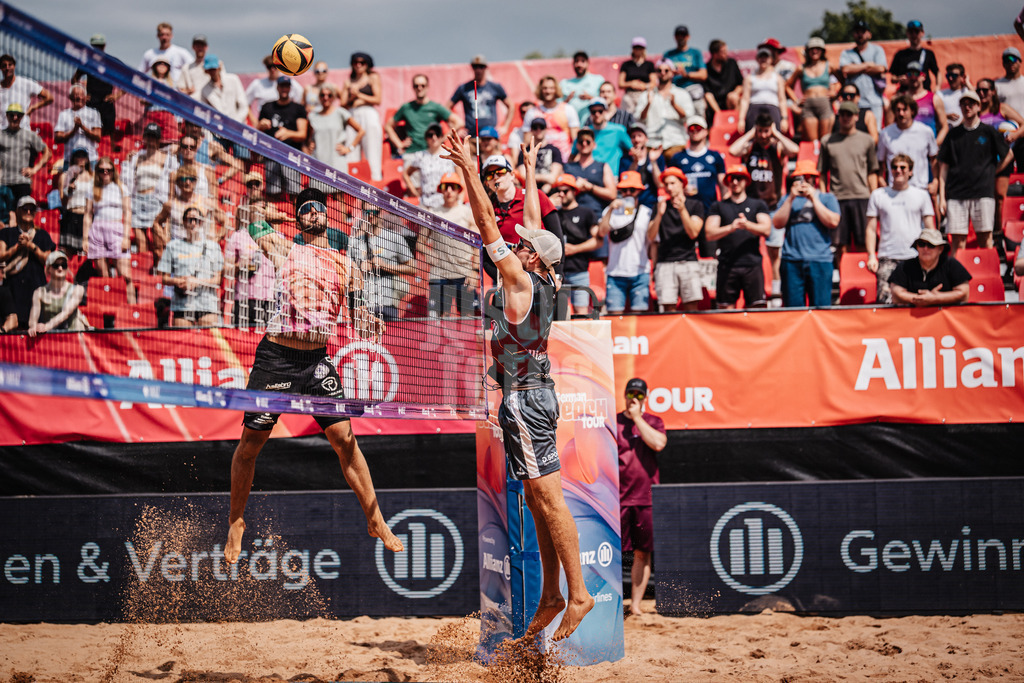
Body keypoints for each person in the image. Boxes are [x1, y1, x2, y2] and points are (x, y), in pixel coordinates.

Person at [441, 131, 594, 641]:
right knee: (534, 495)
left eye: (523, 245)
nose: (516, 245)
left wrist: (468, 169)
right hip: (529, 392)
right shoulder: (548, 278)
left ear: (532, 257)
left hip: (526, 398)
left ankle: (578, 594)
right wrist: (526, 170)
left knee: (548, 498)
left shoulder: (521, 280)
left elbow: (488, 223)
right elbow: (531, 226)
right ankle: (552, 594)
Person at [224, 186, 404, 564]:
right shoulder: (283, 248)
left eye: (318, 208)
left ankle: (375, 520)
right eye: (305, 209)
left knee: (346, 440)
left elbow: (358, 309)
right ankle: (236, 520)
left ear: (327, 216)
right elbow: (246, 217)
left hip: (316, 360)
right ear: (298, 219)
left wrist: (367, 319)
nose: (313, 213)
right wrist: (276, 215)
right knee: (251, 444)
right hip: (277, 358)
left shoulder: (346, 264)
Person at [729, 113, 798, 296]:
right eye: (760, 131)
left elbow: (795, 150)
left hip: (773, 206)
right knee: (749, 249)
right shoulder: (751, 146)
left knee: (774, 252)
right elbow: (733, 151)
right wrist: (751, 133)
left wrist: (776, 134)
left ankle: (776, 291)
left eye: (766, 131)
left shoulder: (777, 146)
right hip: (751, 207)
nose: (763, 135)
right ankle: (754, 290)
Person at [938, 90, 1012, 255]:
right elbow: (944, 167)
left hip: (982, 193)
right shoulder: (953, 134)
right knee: (957, 242)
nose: (967, 107)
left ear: (978, 106)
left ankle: (987, 271)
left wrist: (993, 171)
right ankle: (957, 273)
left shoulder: (989, 131)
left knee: (985, 238)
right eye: (963, 104)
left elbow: (1009, 155)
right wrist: (942, 197)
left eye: (971, 103)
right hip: (956, 194)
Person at [615, 377, 666, 616]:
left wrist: (637, 418)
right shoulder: (614, 422)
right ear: (624, 395)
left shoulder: (654, 421)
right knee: (610, 551)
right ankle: (610, 602)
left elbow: (659, 444)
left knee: (642, 552)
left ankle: (635, 605)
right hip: (616, 498)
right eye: (630, 394)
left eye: (638, 394)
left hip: (645, 499)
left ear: (645, 397)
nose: (633, 398)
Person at [864, 154, 936, 304]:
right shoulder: (878, 195)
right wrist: (871, 255)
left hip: (915, 257)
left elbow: (931, 229)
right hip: (887, 257)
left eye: (903, 167)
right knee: (885, 303)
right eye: (894, 167)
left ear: (910, 171)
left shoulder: (921, 195)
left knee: (917, 302)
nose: (898, 170)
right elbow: (870, 229)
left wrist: (932, 254)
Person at [772, 161, 840, 308]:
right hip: (792, 261)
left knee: (821, 310)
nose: (805, 181)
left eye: (809, 177)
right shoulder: (787, 199)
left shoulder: (827, 198)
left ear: (815, 179)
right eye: (801, 177)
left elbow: (833, 221)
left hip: (820, 260)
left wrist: (813, 198)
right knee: (793, 311)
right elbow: (777, 223)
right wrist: (791, 198)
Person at [819, 100, 881, 260]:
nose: (845, 118)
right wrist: (824, 197)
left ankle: (862, 273)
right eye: (842, 114)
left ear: (856, 116)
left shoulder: (867, 140)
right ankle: (843, 274)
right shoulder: (827, 141)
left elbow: (872, 172)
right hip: (837, 198)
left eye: (849, 114)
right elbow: (822, 173)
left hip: (862, 196)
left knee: (863, 242)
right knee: (841, 244)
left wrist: (874, 196)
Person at [704, 165, 772, 309]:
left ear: (746, 181)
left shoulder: (758, 204)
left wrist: (747, 225)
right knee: (725, 310)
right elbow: (709, 233)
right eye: (731, 179)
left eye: (739, 178)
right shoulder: (718, 206)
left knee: (756, 309)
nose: (735, 182)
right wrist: (731, 227)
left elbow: (766, 229)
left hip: (752, 264)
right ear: (727, 182)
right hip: (727, 264)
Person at [415, 172, 479, 317]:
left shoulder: (467, 213)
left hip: (463, 272)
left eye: (453, 187)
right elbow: (419, 243)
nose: (449, 190)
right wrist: (428, 252)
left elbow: (476, 247)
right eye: (445, 187)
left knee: (468, 317)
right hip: (439, 273)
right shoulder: (432, 214)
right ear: (441, 190)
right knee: (440, 318)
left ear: (458, 190)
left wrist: (474, 272)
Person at [156, 204, 222, 327]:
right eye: (190, 219)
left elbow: (218, 279)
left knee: (208, 338)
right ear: (184, 222)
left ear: (202, 222)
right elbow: (164, 278)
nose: (193, 223)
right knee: (183, 338)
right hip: (182, 304)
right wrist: (180, 281)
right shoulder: (173, 246)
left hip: (207, 304)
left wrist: (197, 282)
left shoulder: (213, 247)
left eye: (196, 220)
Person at [597, 171, 653, 314]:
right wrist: (611, 209)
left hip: (640, 272)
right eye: (624, 190)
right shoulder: (611, 211)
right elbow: (601, 232)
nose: (627, 193)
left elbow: (653, 241)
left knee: (638, 318)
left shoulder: (647, 213)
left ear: (639, 191)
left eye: (632, 190)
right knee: (615, 316)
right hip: (615, 272)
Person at [649, 167, 704, 311]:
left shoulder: (695, 205)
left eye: (673, 183)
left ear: (682, 183)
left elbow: (693, 233)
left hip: (688, 262)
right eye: (666, 184)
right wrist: (659, 215)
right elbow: (650, 236)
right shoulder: (659, 207)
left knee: (692, 307)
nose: (669, 187)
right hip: (665, 263)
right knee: (668, 309)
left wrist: (682, 210)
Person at [84, 157, 135, 303]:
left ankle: (132, 308)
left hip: (116, 229)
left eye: (109, 170)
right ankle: (112, 307)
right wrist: (85, 238)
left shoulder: (121, 187)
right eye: (102, 170)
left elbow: (128, 213)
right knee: (104, 276)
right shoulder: (92, 189)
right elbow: (87, 214)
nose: (105, 173)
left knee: (125, 275)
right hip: (97, 230)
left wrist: (126, 237)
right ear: (97, 172)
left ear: (114, 171)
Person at [0, 195, 54, 328]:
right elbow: (1, 255)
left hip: (35, 289)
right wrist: (17, 247)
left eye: (32, 209)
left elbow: (49, 260)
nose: (28, 212)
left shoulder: (42, 235)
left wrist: (31, 246)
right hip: (12, 290)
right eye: (25, 209)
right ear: (17, 211)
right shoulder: (6, 233)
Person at [224, 196, 276, 328]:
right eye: (255, 209)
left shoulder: (276, 237)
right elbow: (226, 270)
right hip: (244, 300)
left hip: (269, 301)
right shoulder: (238, 236)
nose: (259, 213)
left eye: (262, 209)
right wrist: (239, 265)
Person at [551, 174, 599, 315]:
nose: (561, 194)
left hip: (579, 270)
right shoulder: (553, 214)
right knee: (560, 313)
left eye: (565, 191)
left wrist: (575, 249)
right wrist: (549, 204)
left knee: (581, 312)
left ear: (574, 191)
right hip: (558, 272)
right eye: (558, 191)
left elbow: (598, 240)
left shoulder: (586, 212)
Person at [888, 227, 971, 306]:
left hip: (946, 315)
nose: (925, 248)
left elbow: (963, 291)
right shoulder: (905, 266)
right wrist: (920, 299)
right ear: (917, 247)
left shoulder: (951, 264)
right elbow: (896, 291)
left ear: (940, 249)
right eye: (921, 244)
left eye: (931, 245)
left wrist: (936, 298)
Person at [120, 122, 168, 256]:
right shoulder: (137, 157)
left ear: (159, 139)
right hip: (138, 201)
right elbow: (126, 179)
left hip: (155, 201)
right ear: (145, 138)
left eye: (154, 137)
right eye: (149, 136)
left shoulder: (165, 158)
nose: (151, 140)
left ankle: (158, 270)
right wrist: (127, 161)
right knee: (141, 245)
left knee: (158, 246)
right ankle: (144, 268)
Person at [877, 95, 938, 200]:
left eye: (904, 110)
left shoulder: (925, 131)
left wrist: (935, 181)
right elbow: (880, 162)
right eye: (898, 110)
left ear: (912, 111)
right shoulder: (885, 134)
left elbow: (934, 159)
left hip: (920, 189)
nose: (901, 113)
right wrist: (882, 181)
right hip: (894, 191)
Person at [386, 74, 460, 158]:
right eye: (416, 86)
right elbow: (388, 126)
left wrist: (442, 139)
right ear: (413, 87)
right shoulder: (406, 107)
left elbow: (459, 122)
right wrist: (399, 144)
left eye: (422, 85)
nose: (419, 88)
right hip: (412, 153)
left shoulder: (435, 107)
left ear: (427, 87)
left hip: (431, 153)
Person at [259, 76, 308, 198]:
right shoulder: (267, 107)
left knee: (294, 193)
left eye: (286, 86)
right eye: (282, 86)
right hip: (272, 155)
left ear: (290, 88)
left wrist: (288, 133)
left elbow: (303, 134)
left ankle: (296, 212)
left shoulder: (298, 109)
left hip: (292, 156)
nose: (284, 89)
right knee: (272, 194)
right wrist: (261, 125)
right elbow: (258, 130)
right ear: (277, 87)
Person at [339, 52, 383, 182]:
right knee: (351, 150)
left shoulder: (372, 77)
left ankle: (375, 181)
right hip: (352, 115)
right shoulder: (348, 82)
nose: (358, 65)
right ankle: (351, 182)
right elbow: (343, 103)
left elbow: (377, 99)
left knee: (372, 149)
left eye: (362, 62)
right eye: (355, 62)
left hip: (369, 114)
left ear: (367, 64)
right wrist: (352, 97)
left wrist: (359, 95)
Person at [669, 116, 726, 215]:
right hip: (686, 210)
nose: (695, 131)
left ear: (706, 131)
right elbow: (670, 183)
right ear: (687, 131)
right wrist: (681, 189)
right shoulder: (678, 158)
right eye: (691, 128)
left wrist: (724, 207)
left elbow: (723, 185)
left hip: (710, 209)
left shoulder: (715, 156)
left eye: (699, 128)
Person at [638, 60, 695, 158]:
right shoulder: (646, 95)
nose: (663, 73)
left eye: (666, 70)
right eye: (659, 70)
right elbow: (639, 119)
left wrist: (674, 105)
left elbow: (688, 117)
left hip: (675, 142)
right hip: (652, 143)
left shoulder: (682, 93)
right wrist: (648, 104)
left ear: (672, 73)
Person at [839, 20, 888, 127]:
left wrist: (855, 67)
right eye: (857, 32)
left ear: (869, 34)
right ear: (853, 34)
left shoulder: (877, 50)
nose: (860, 34)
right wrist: (868, 65)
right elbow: (845, 69)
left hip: (874, 101)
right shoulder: (846, 53)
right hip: (853, 102)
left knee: (875, 132)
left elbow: (881, 68)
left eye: (863, 31)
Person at [0, 103, 51, 205]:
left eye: (18, 115)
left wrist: (34, 169)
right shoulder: (1, 135)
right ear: (7, 116)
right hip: (4, 182)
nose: (15, 118)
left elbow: (48, 153)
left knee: (22, 212)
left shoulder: (29, 135)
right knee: (5, 213)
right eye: (12, 115)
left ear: (22, 117)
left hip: (22, 182)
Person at [449, 55, 511, 139]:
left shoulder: (495, 87)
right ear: (472, 68)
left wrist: (505, 126)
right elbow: (447, 108)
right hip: (471, 137)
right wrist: (456, 129)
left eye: (481, 67)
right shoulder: (464, 88)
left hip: (491, 137)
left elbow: (511, 106)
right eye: (475, 67)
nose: (478, 70)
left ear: (486, 68)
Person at [71, 35, 122, 135]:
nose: (98, 49)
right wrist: (82, 94)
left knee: (109, 133)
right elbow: (74, 79)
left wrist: (117, 95)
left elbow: (129, 80)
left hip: (107, 103)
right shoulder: (87, 62)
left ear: (104, 46)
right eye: (95, 46)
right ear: (92, 46)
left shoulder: (112, 62)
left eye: (100, 46)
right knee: (90, 132)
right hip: (91, 103)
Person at [308, 83, 364, 173]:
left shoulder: (341, 113)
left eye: (329, 95)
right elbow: (308, 138)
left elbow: (361, 131)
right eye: (322, 95)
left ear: (333, 97)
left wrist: (349, 148)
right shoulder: (313, 116)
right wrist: (310, 144)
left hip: (337, 164)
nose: (326, 98)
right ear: (319, 97)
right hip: (318, 163)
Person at [27, 250, 86, 336]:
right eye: (56, 265)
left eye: (63, 265)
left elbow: (66, 313)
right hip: (52, 339)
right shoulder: (39, 292)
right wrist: (33, 327)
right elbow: (32, 320)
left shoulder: (77, 289)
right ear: (48, 269)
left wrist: (46, 326)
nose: (60, 268)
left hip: (73, 337)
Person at [563, 127, 616, 220]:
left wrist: (590, 187)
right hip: (571, 216)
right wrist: (575, 187)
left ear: (594, 145)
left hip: (596, 215)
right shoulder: (569, 167)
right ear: (577, 145)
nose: (584, 144)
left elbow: (612, 194)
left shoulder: (602, 166)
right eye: (581, 141)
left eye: (588, 141)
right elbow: (561, 191)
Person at [788, 37, 835, 142]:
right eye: (812, 49)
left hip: (824, 104)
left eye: (817, 48)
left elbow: (842, 80)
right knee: (812, 142)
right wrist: (796, 100)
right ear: (807, 51)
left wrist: (835, 93)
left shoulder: (829, 66)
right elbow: (787, 86)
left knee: (825, 140)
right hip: (808, 106)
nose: (814, 51)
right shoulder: (801, 68)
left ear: (822, 51)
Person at [524, 76, 579, 162]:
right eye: (545, 88)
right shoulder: (532, 112)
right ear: (540, 90)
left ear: (556, 89)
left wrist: (573, 161)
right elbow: (527, 141)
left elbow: (575, 139)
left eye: (551, 88)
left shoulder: (568, 109)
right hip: (540, 160)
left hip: (565, 159)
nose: (548, 91)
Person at [402, 124, 456, 210]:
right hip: (426, 203)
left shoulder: (450, 155)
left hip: (446, 203)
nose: (434, 138)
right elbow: (406, 173)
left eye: (437, 134)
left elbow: (461, 177)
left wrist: (460, 197)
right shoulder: (420, 156)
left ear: (441, 136)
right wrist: (414, 192)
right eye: (430, 135)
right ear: (426, 138)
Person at [738, 46, 788, 135]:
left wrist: (784, 118)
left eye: (766, 57)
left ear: (771, 59)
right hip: (755, 108)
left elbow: (782, 100)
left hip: (772, 108)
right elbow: (745, 99)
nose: (763, 59)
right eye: (761, 57)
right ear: (757, 59)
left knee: (774, 135)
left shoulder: (778, 78)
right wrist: (741, 119)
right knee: (752, 135)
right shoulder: (749, 78)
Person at [899, 61, 948, 145]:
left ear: (923, 77)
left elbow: (944, 127)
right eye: (910, 74)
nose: (913, 77)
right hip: (905, 146)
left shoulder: (934, 98)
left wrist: (934, 146)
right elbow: (891, 125)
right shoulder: (900, 99)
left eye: (916, 74)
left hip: (927, 147)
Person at [663, 25, 707, 118]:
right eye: (678, 35)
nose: (681, 37)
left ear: (688, 37)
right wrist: (671, 72)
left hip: (693, 90)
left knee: (698, 117)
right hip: (675, 90)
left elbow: (703, 75)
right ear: (675, 37)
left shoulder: (695, 53)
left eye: (683, 35)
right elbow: (661, 72)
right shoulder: (668, 54)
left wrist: (686, 74)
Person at [0, 54, 53, 129]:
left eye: (10, 65)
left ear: (14, 66)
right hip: (3, 131)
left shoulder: (25, 83)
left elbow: (49, 97)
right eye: (4, 66)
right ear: (1, 68)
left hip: (22, 129)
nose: (7, 68)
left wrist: (33, 108)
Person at [620, 122, 665, 211]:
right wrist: (635, 162)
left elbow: (660, 184)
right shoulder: (625, 159)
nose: (636, 139)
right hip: (630, 205)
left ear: (646, 139)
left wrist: (653, 162)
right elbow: (626, 184)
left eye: (639, 136)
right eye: (633, 137)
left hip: (650, 204)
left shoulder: (656, 157)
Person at [53, 85, 102, 166]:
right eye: (76, 94)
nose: (78, 97)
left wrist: (82, 127)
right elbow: (57, 138)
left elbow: (98, 137)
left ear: (85, 97)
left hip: (90, 159)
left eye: (81, 95)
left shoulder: (93, 113)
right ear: (70, 97)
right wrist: (74, 130)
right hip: (70, 160)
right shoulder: (64, 114)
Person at [57, 148, 92, 255]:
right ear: (73, 158)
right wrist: (68, 191)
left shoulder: (93, 177)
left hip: (87, 217)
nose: (81, 159)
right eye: (78, 156)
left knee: (87, 251)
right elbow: (63, 202)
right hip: (71, 216)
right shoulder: (65, 176)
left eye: (83, 156)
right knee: (68, 252)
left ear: (87, 159)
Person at [198, 56, 252, 126]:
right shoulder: (205, 90)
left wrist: (236, 122)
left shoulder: (233, 80)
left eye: (214, 69)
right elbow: (205, 112)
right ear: (206, 71)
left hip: (238, 126)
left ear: (219, 67)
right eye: (210, 69)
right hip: (218, 128)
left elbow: (243, 105)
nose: (212, 72)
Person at [516, 118, 563, 195]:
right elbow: (523, 177)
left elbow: (553, 178)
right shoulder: (524, 151)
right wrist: (546, 178)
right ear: (531, 130)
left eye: (541, 127)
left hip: (550, 192)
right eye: (535, 127)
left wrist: (533, 177)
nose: (538, 130)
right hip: (529, 192)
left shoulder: (555, 150)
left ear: (546, 129)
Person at [583, 100, 632, 172]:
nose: (597, 114)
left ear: (605, 112)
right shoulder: (586, 132)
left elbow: (632, 150)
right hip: (590, 174)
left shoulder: (618, 130)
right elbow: (574, 154)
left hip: (611, 175)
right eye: (593, 112)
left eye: (600, 111)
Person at [889, 20, 939, 91]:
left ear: (922, 33)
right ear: (907, 33)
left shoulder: (928, 53)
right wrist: (899, 79)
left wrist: (937, 87)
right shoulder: (900, 54)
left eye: (916, 32)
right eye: (911, 32)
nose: (914, 35)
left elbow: (937, 72)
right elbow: (892, 78)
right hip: (905, 93)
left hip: (924, 92)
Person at [703, 39, 744, 125]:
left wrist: (734, 93)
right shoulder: (706, 69)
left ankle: (735, 123)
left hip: (731, 103)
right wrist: (719, 114)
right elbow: (708, 94)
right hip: (715, 106)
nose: (726, 54)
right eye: (723, 52)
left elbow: (741, 85)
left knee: (733, 97)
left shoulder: (732, 63)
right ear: (715, 54)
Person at [619, 38, 657, 118]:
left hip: (644, 94)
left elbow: (654, 83)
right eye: (636, 48)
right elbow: (620, 83)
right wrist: (631, 84)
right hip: (630, 96)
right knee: (628, 117)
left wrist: (644, 86)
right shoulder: (626, 65)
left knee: (644, 117)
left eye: (640, 48)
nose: (638, 50)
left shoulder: (649, 65)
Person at [560, 51, 605, 117]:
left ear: (588, 63)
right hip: (569, 121)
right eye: (576, 61)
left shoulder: (598, 80)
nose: (579, 64)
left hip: (593, 121)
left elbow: (606, 101)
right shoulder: (564, 83)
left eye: (583, 61)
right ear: (573, 64)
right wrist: (567, 100)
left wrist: (591, 98)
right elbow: (556, 107)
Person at [996, 47, 1024, 116]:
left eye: (1013, 59)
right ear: (1003, 64)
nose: (1010, 63)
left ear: (1020, 62)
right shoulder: (996, 85)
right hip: (1007, 122)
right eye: (1007, 60)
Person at [0, 258, 18, 332]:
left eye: (2, 271)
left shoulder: (3, 292)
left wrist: (2, 330)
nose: (2, 275)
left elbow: (13, 320)